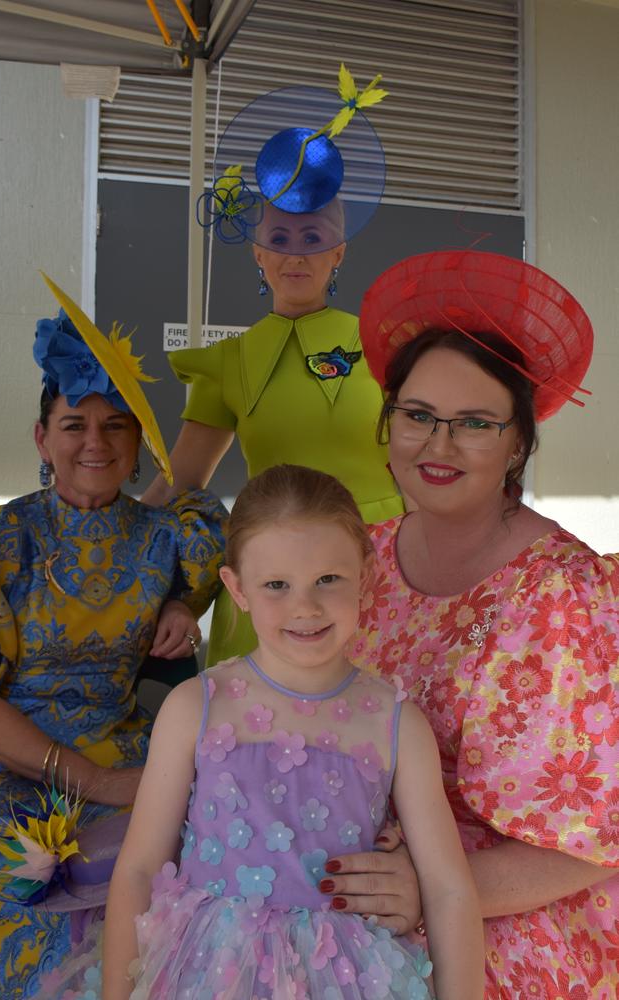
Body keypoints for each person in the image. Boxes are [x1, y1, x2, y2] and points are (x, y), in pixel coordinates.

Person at [67, 463, 481, 1000]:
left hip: (349, 979)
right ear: (237, 590)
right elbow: (140, 870)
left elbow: (449, 890)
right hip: (206, 974)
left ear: (367, 576)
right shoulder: (196, 706)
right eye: (276, 585)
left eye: (327, 580)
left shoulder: (398, 721)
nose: (304, 607)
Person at [326, 250, 618, 997]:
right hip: (361, 881)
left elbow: (594, 844)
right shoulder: (362, 557)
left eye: (475, 424)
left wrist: (428, 885)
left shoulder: (564, 595)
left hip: (508, 920)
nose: (438, 444)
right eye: (417, 415)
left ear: (519, 441)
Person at [0, 276, 227, 1000]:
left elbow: (233, 567)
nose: (95, 441)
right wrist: (99, 784)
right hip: (11, 753)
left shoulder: (170, 535)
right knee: (13, 871)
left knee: (211, 848)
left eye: (115, 424)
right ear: (41, 436)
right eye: (74, 423)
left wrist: (182, 600)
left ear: (138, 441)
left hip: (128, 734)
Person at [142, 66, 403, 664]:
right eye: (280, 238)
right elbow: (181, 477)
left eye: (312, 238)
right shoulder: (229, 362)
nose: (296, 253)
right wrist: (97, 530)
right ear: (258, 252)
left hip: (380, 568)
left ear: (338, 252)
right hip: (273, 571)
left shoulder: (387, 345)